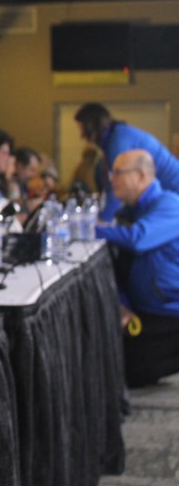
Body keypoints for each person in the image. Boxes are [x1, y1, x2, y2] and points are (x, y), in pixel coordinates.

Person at [96, 149, 179, 387]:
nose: (112, 179)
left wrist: (89, 230)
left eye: (119, 173)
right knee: (117, 364)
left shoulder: (170, 205)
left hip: (170, 311)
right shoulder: (129, 211)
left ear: (142, 176)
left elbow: (138, 239)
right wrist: (124, 305)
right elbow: (121, 268)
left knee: (129, 372)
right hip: (146, 308)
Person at [75, 102, 179, 222]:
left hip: (173, 188)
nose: (81, 135)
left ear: (91, 125)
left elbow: (118, 185)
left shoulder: (117, 142)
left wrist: (102, 220)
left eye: (81, 128)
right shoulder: (117, 135)